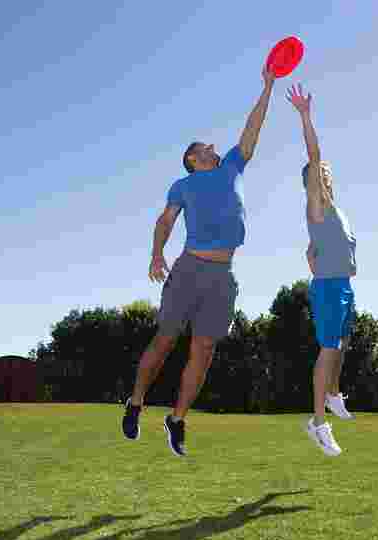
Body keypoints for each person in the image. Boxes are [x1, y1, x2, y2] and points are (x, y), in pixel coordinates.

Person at [122, 66, 276, 457]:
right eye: (206, 146)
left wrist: (268, 87)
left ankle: (176, 419)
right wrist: (157, 252)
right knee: (166, 339)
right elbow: (165, 220)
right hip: (189, 269)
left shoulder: (231, 167)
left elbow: (252, 129)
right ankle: (136, 401)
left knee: (204, 350)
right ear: (193, 158)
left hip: (223, 276)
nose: (214, 146)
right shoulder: (184, 185)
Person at [286, 84, 357, 457]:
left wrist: (312, 251)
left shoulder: (336, 212)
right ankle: (317, 423)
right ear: (313, 181)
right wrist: (304, 115)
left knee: (343, 344)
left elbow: (320, 246)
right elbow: (314, 155)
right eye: (319, 173)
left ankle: (332, 394)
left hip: (343, 285)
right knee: (328, 349)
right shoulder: (316, 204)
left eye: (327, 172)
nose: (325, 174)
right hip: (329, 287)